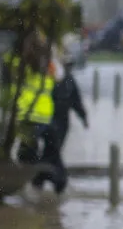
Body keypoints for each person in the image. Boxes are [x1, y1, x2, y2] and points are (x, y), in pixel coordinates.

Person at [34, 60, 88, 193]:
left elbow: (76, 100)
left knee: (53, 150)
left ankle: (42, 178)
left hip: (62, 121)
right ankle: (57, 180)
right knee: (53, 150)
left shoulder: (69, 80)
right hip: (46, 120)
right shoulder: (46, 79)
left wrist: (83, 117)